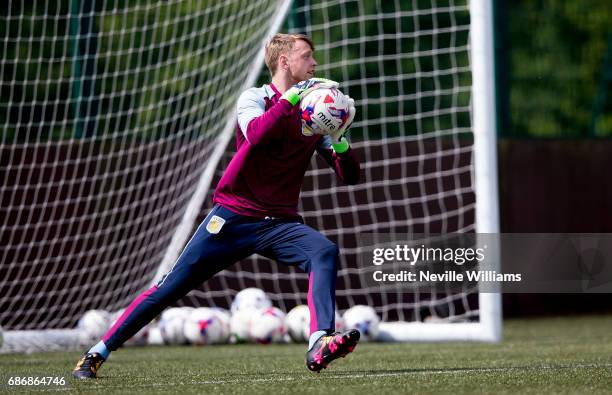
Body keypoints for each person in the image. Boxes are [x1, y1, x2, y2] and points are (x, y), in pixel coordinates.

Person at [72, 33, 361, 379]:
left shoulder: (314, 113)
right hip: (233, 217)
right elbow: (256, 135)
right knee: (170, 288)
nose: (314, 65)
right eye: (307, 57)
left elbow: (350, 176)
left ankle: (318, 342)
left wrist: (339, 139)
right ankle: (95, 353)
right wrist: (293, 96)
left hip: (278, 223)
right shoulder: (254, 99)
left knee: (324, 252)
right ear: (285, 61)